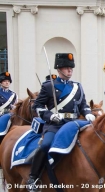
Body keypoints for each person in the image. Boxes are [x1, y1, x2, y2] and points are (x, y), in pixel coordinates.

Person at [27, 53, 95, 189]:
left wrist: (88, 114)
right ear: (58, 70)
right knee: (45, 145)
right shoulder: (48, 86)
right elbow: (37, 106)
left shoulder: (77, 87)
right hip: (55, 125)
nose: (70, 70)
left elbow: (84, 106)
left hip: (74, 124)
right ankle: (33, 178)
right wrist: (50, 116)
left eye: (71, 68)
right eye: (66, 67)